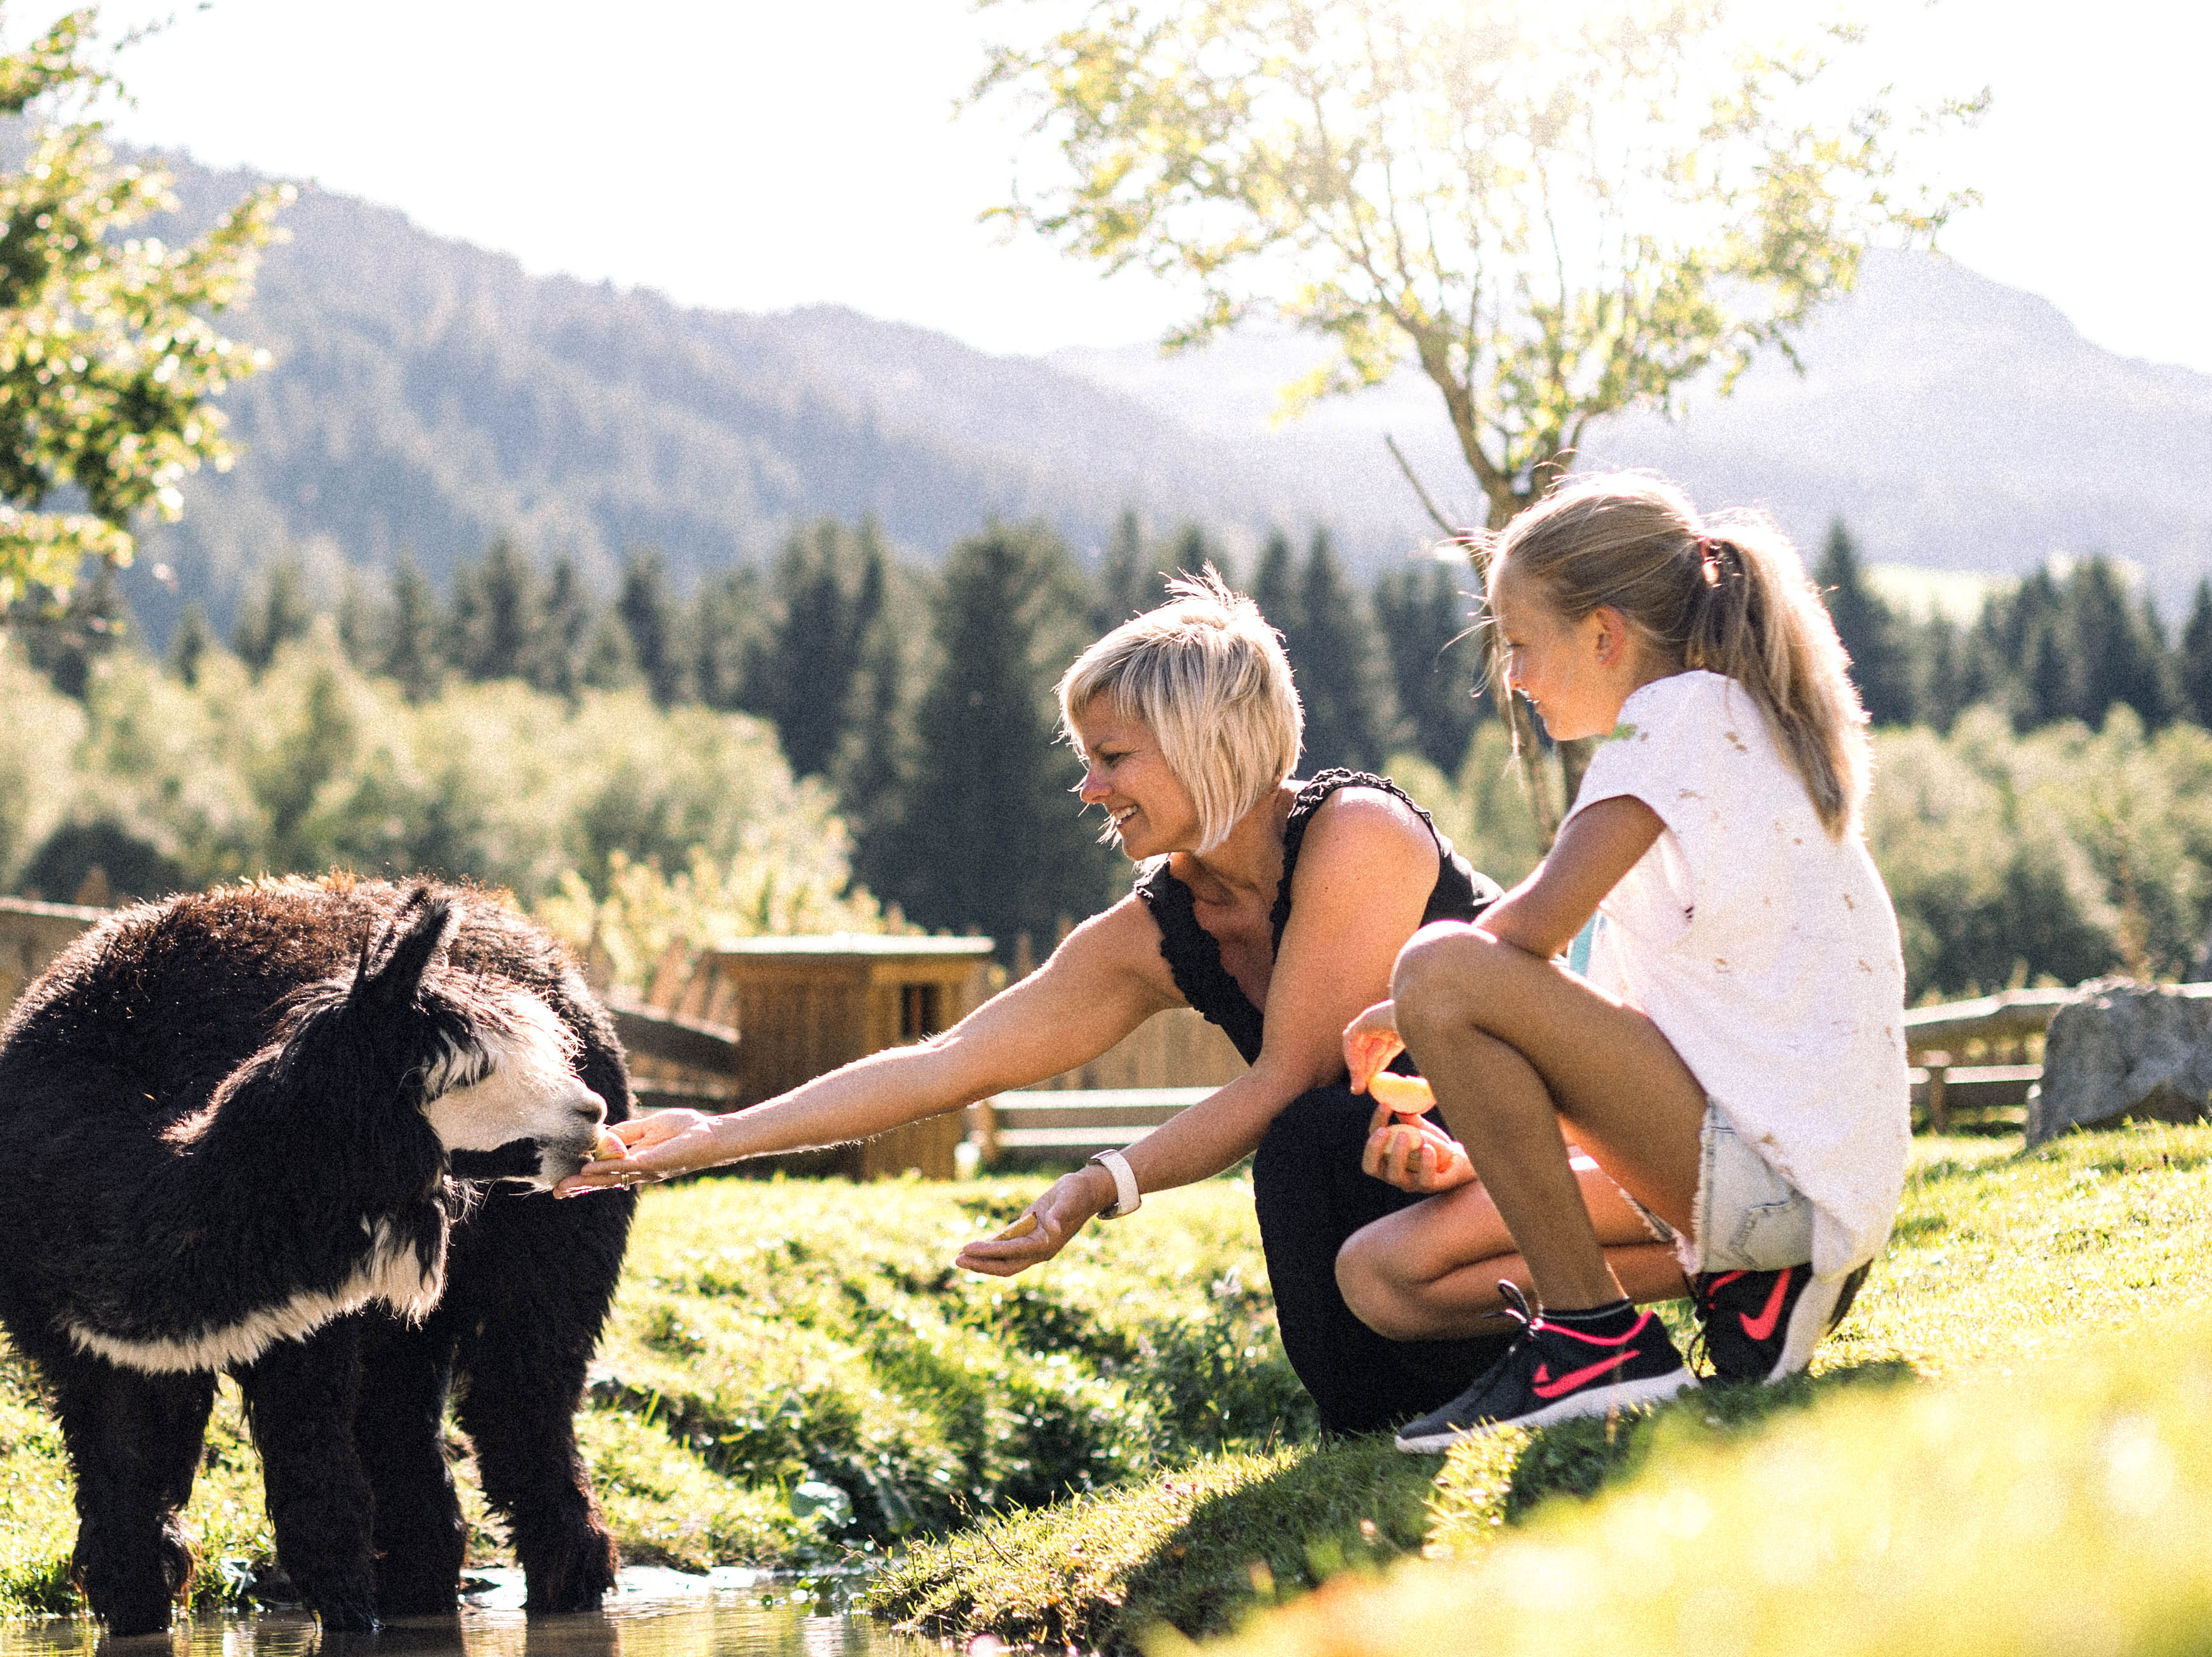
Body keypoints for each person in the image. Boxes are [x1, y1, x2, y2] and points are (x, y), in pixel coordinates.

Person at [571, 570, 1509, 1435]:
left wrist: (1102, 1181)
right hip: (1409, 1190)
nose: (1088, 786)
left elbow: (1289, 1075)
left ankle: (1536, 1370)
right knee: (1315, 1147)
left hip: (1550, 1148)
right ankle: (1381, 1436)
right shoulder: (1160, 931)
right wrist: (717, 1135)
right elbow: (951, 1061)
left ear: (1206, 746)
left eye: (1112, 757)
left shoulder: (1358, 834)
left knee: (1308, 1132)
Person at [1332, 472, 1907, 1451]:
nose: (1510, 675)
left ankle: (1595, 1343)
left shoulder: (1677, 716)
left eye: (1519, 643)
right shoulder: (1719, 726)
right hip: (1775, 1189)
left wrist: (1398, 1006)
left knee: (1439, 965)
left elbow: (1532, 929)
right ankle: (1735, 1292)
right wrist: (1483, 1158)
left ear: (1604, 635)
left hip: (1780, 1183)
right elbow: (1634, 1057)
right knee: (1379, 1275)